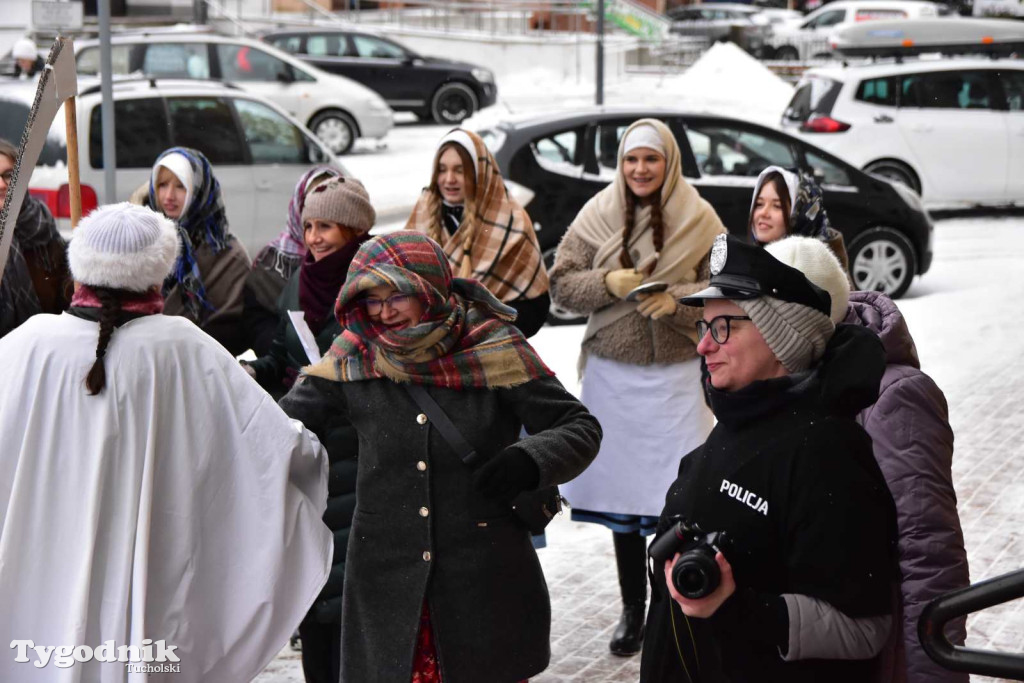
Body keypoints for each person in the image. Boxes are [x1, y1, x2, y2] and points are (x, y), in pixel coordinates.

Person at [0, 202, 332, 682]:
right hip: (152, 593)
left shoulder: (25, 347)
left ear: (81, 270)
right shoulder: (184, 348)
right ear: (158, 273)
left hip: (35, 597)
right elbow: (274, 451)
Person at [280, 231, 602, 683]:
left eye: (397, 295)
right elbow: (282, 428)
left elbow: (580, 427)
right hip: (385, 584)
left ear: (428, 286)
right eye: (372, 300)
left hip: (483, 581)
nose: (384, 312)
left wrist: (529, 460)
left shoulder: (492, 343)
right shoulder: (354, 353)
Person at [641, 234, 898, 683]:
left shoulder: (826, 451)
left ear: (782, 337)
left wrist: (737, 608)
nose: (703, 347)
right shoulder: (738, 418)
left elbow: (863, 628)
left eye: (724, 327)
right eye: (705, 327)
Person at [548, 118, 726, 655]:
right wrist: (608, 283)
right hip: (614, 378)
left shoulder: (699, 216)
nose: (640, 169)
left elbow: (722, 286)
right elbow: (561, 282)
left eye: (651, 159)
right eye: (631, 160)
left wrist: (677, 301)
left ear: (668, 162)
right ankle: (633, 609)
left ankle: (670, 610)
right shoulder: (597, 213)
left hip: (676, 377)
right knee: (624, 506)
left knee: (676, 502)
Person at [768, 236, 971, 683]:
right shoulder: (786, 382)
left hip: (877, 647)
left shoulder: (896, 396)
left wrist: (932, 674)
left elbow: (928, 552)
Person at [244, 175, 372, 683]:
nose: (314, 237)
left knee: (346, 582)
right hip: (307, 446)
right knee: (314, 578)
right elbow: (283, 349)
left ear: (354, 228)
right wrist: (260, 371)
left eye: (327, 227)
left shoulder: (372, 279)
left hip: (354, 448)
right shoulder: (301, 280)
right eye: (311, 225)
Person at [404, 128, 550, 337]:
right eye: (442, 170)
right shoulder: (424, 211)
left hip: (493, 353)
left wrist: (484, 331)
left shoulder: (509, 218)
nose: (449, 179)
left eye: (460, 170)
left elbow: (536, 306)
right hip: (430, 354)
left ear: (479, 172)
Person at [148, 146, 252, 354]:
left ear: (200, 191)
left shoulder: (227, 252)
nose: (169, 195)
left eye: (180, 186)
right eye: (162, 185)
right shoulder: (144, 240)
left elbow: (235, 328)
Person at [244, 165, 342, 356]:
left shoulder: (361, 262)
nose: (320, 208)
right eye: (312, 200)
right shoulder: (272, 260)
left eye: (330, 202)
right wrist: (284, 357)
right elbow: (257, 318)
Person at [0, 138, 71, 338]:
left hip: (45, 349)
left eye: (9, 175)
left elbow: (64, 298)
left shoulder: (42, 227)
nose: (2, 184)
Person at [749, 165, 852, 278]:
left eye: (777, 206)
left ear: (801, 213)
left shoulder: (817, 273)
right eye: (759, 204)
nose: (763, 213)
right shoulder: (756, 259)